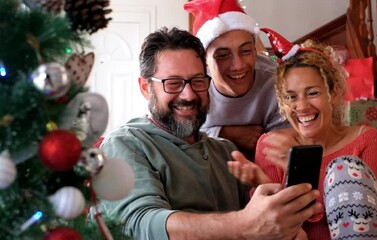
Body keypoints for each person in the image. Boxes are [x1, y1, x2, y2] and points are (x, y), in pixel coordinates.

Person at [99, 26, 322, 240]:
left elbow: (261, 224)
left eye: (197, 81)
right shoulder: (124, 144)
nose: (188, 94)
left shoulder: (226, 152)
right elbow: (136, 225)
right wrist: (244, 225)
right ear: (146, 88)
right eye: (173, 83)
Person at [228, 28, 377, 239]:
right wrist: (260, 180)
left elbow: (368, 218)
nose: (301, 107)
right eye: (291, 97)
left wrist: (299, 169)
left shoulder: (366, 140)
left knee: (343, 169)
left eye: (312, 93)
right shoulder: (271, 145)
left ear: (333, 93)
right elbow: (276, 226)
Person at [184, 0, 289, 159]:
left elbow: (283, 148)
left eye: (246, 51)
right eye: (223, 55)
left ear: (255, 50)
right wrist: (224, 133)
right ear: (205, 60)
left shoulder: (278, 83)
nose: (238, 65)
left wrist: (262, 142)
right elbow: (178, 136)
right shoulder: (192, 87)